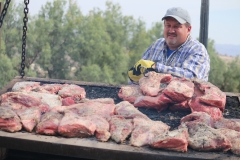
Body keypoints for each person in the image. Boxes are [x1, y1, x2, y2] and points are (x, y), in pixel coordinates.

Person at [128, 7, 210, 83]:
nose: (171, 30)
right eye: (168, 25)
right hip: (151, 97)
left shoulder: (197, 49)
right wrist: (134, 78)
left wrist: (156, 67)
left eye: (176, 26)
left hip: (184, 99)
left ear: (188, 29)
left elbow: (192, 77)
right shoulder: (157, 45)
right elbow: (140, 72)